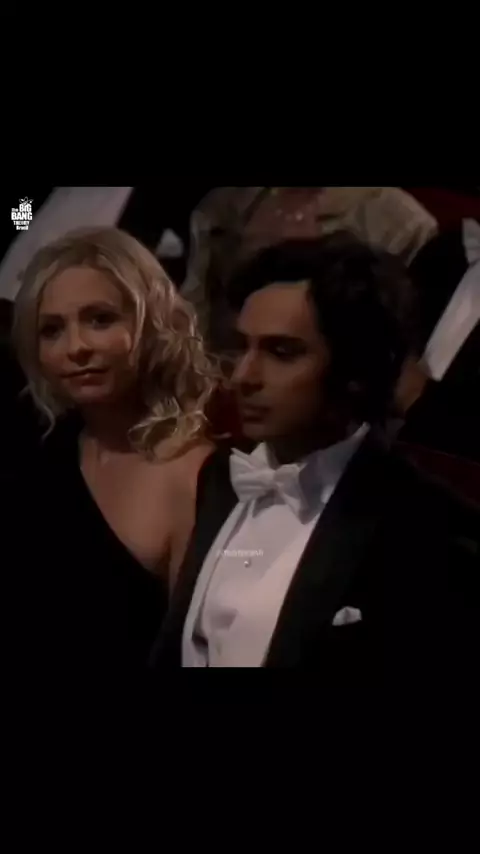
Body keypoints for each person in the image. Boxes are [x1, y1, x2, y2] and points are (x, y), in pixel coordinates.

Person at [151, 233, 479, 694]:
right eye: (241, 347)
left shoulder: (426, 525)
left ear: (356, 368)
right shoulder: (220, 477)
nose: (243, 376)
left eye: (281, 352)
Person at [6, 227, 216, 674]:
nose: (76, 347)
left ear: (153, 323)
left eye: (100, 320)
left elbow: (193, 653)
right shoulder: (35, 452)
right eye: (52, 330)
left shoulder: (194, 475)